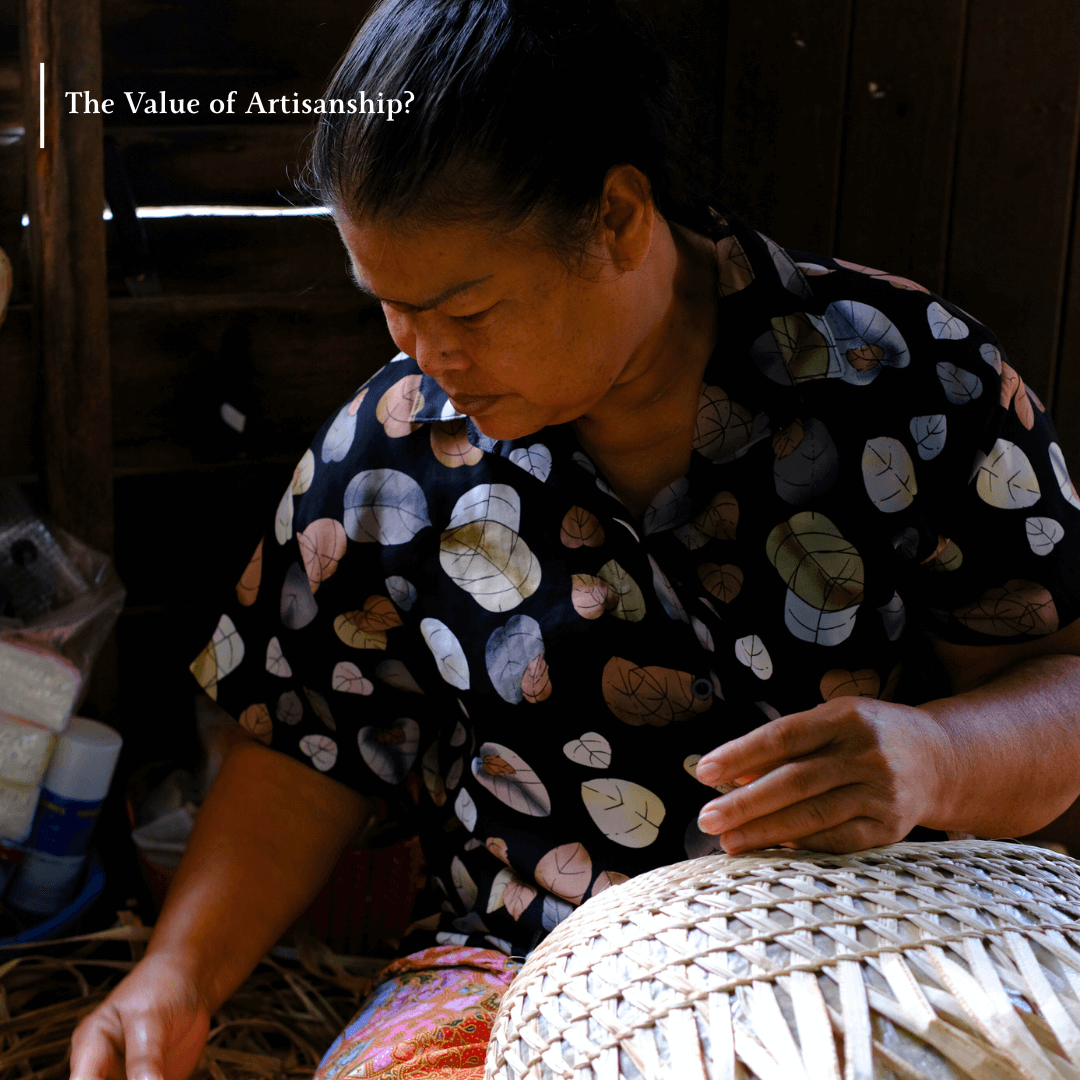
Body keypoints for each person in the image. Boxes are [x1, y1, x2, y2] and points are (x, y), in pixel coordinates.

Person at [71, 1, 1080, 1078]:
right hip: (513, 965)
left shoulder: (910, 380)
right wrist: (176, 973)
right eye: (391, 308)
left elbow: (1058, 680)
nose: (429, 355)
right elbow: (308, 737)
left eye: (468, 308)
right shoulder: (393, 450)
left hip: (880, 951)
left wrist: (934, 759)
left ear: (617, 218)